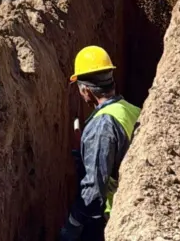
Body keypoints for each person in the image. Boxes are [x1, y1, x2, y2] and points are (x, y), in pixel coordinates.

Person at [59, 46, 142, 241]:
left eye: (80, 90)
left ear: (86, 91)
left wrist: (72, 225)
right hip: (133, 203)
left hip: (113, 214)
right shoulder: (132, 110)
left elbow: (94, 191)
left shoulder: (102, 126)